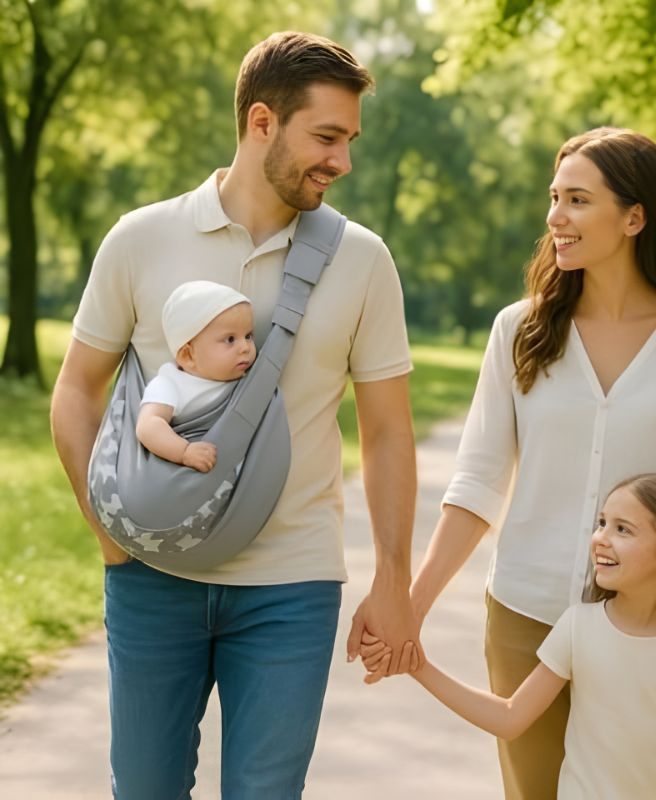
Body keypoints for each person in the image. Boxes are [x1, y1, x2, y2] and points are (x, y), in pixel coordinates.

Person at [360, 127, 656, 799]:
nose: (554, 218)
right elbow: (475, 487)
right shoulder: (521, 331)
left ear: (634, 215)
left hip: (647, 631)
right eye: (554, 198)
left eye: (577, 200)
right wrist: (410, 609)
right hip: (526, 615)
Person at [51, 31, 420, 799]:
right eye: (326, 137)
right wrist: (108, 534)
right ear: (261, 123)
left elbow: (388, 430)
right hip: (153, 580)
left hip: (293, 585)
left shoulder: (363, 260)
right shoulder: (142, 238)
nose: (342, 161)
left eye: (349, 140)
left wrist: (394, 579)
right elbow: (77, 391)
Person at [364, 474, 656, 799]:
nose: (601, 539)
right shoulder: (579, 627)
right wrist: (419, 668)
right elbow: (511, 717)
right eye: (603, 522)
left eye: (623, 529)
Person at [136, 280, 256, 472]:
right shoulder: (171, 384)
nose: (245, 347)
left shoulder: (247, 378)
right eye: (230, 339)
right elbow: (148, 425)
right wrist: (184, 451)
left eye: (248, 336)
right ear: (188, 355)